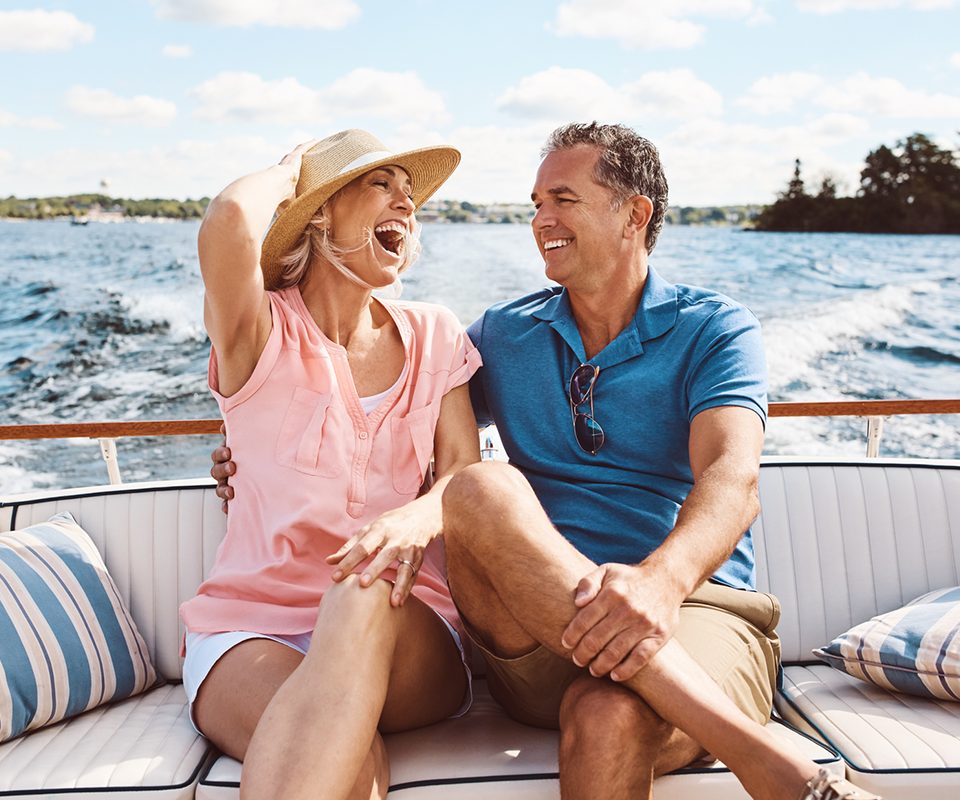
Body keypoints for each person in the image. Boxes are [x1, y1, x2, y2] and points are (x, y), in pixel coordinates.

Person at [212, 123, 877, 800]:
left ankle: (752, 750)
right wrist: (253, 452)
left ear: (634, 214)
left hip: (690, 606)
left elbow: (732, 482)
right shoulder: (503, 333)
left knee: (607, 714)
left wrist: (656, 584)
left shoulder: (714, 328)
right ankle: (765, 758)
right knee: (478, 486)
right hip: (533, 632)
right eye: (535, 203)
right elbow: (384, 420)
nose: (541, 220)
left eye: (563, 199)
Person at [182, 129, 482, 800]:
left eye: (411, 196)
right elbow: (230, 221)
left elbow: (463, 468)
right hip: (252, 626)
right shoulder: (258, 334)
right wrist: (293, 173)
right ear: (320, 214)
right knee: (345, 758)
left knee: (365, 589)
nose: (406, 204)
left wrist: (415, 515)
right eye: (382, 185)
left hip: (406, 621)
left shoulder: (437, 333)